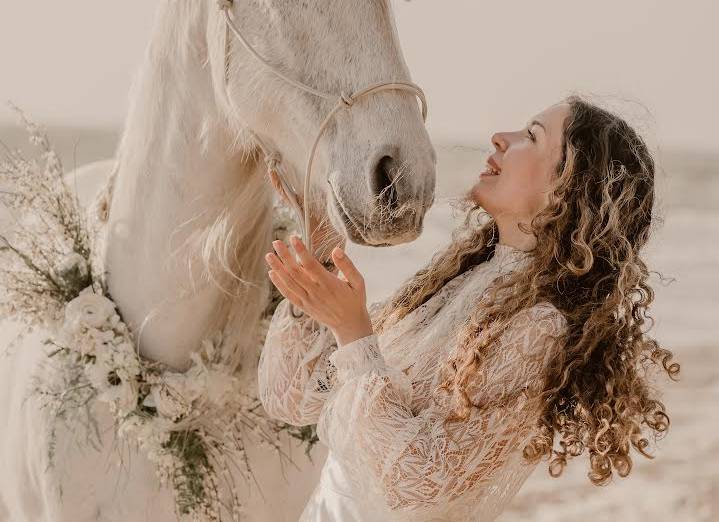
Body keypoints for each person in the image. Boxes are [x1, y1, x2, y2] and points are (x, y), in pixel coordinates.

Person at [257, 95, 680, 522]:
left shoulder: (540, 326)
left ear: (566, 190)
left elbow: (422, 483)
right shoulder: (453, 281)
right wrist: (324, 249)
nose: (500, 138)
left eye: (532, 136)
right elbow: (292, 399)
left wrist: (354, 334)